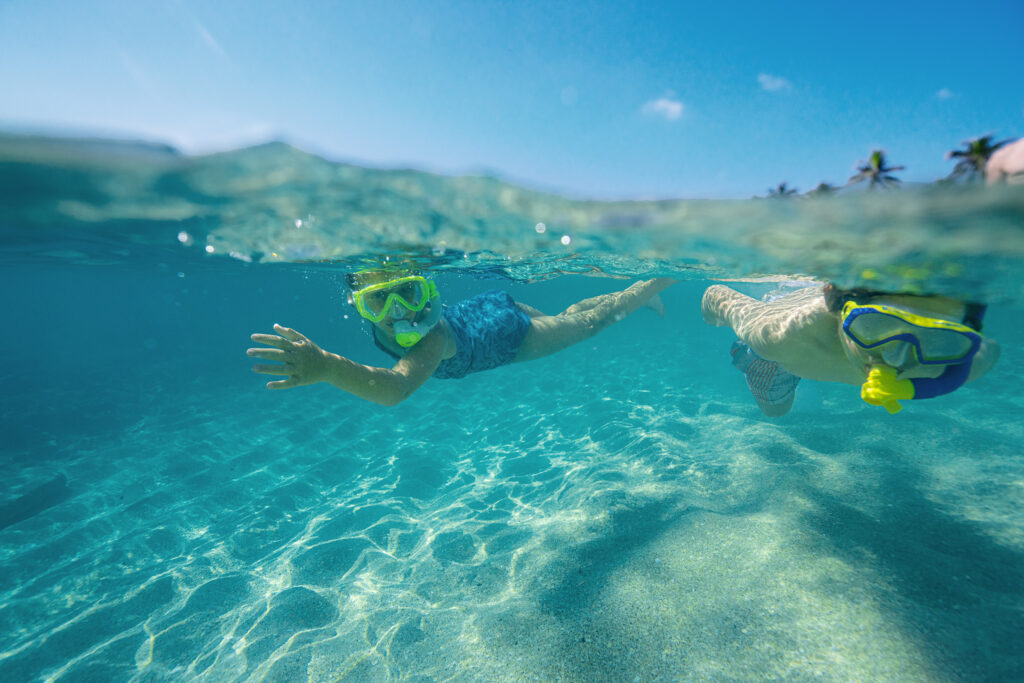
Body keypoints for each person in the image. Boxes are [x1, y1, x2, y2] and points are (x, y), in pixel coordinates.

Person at [248, 269, 675, 406]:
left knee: (588, 326)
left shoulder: (430, 341)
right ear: (359, 304)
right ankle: (638, 294)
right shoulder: (414, 316)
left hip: (509, 336)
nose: (400, 313)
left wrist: (326, 366)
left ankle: (660, 280)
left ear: (426, 291)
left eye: (409, 294)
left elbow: (395, 388)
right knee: (567, 319)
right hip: (488, 308)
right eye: (380, 302)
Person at [702, 282, 1000, 416]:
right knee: (776, 411)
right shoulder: (778, 336)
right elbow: (717, 296)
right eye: (876, 326)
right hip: (788, 345)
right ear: (836, 307)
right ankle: (775, 311)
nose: (898, 360)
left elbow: (990, 351)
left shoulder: (956, 361)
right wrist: (710, 319)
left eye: (938, 337)